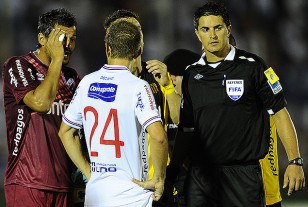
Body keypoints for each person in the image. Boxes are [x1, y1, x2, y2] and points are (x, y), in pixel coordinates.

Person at [169, 2, 305, 207]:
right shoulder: (191, 74)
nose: (212, 35)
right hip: (202, 178)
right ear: (197, 34)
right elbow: (187, 128)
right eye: (205, 29)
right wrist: (173, 171)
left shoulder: (252, 66)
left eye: (218, 28)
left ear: (228, 29)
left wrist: (295, 161)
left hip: (243, 177)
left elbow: (279, 111)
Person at [58, 20, 168, 207]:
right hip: (132, 197)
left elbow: (65, 132)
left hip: (96, 196)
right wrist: (159, 179)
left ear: (107, 49)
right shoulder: (138, 86)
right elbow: (159, 138)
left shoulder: (87, 83)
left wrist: (88, 172)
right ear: (138, 51)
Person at [2, 8, 80, 207]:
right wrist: (56, 60)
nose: (68, 46)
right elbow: (41, 103)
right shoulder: (19, 65)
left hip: (64, 183)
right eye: (62, 39)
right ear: (42, 39)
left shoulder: (72, 77)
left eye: (72, 39)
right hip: (27, 181)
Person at [103, 8, 179, 185]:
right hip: (118, 183)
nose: (131, 35)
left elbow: (178, 119)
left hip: (156, 183)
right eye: (123, 30)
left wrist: (168, 86)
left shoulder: (158, 76)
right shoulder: (98, 83)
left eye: (136, 30)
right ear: (109, 42)